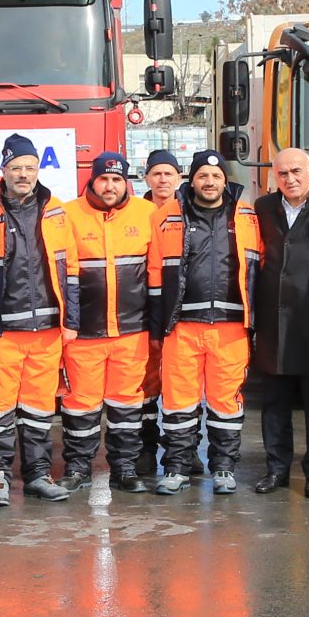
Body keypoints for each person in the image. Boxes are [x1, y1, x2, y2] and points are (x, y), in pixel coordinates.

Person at [0, 133, 76, 505]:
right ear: (3, 170)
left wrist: (71, 321)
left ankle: (38, 475)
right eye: (16, 168)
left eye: (30, 167)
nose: (23, 174)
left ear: (38, 170)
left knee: (39, 409)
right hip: (1, 331)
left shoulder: (56, 210)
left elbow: (71, 271)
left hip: (47, 330)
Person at [149, 148, 259, 495]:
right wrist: (158, 325)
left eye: (216, 176)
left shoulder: (247, 216)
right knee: (178, 402)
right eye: (202, 176)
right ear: (191, 180)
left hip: (231, 325)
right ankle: (177, 467)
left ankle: (224, 467)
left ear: (225, 181)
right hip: (182, 325)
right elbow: (154, 274)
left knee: (226, 403)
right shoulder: (167, 216)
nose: (209, 182)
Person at [55, 151, 157, 494]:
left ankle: (124, 468)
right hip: (84, 332)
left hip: (132, 330)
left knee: (126, 405)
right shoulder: (68, 214)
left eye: (117, 179)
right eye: (104, 179)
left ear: (126, 182)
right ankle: (78, 467)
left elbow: (157, 272)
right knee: (80, 405)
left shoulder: (146, 213)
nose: (110, 186)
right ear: (93, 180)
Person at [250, 146, 309, 497]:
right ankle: (276, 469)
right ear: (275, 177)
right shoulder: (262, 208)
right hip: (273, 320)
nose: (290, 179)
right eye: (283, 173)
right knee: (274, 402)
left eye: (296, 172)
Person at [132, 147, 185, 486]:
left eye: (169, 173)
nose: (163, 179)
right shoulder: (137, 213)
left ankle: (184, 449)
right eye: (157, 173)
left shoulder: (190, 209)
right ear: (147, 178)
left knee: (183, 387)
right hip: (143, 311)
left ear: (179, 177)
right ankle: (146, 448)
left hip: (182, 313)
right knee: (147, 385)